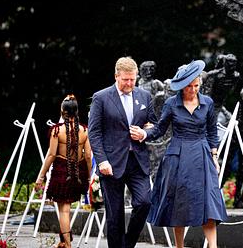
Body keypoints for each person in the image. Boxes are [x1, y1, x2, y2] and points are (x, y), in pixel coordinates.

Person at [130, 60, 228, 248]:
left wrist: (214, 157)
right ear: (182, 86)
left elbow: (212, 132)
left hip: (202, 154)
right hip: (178, 157)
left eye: (196, 86)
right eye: (189, 86)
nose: (193, 90)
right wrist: (144, 133)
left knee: (209, 202)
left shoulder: (207, 102)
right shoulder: (171, 104)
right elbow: (159, 130)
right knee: (179, 204)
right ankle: (179, 246)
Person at [88, 56, 157, 248]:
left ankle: (127, 245)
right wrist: (101, 161)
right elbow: (94, 132)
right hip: (111, 162)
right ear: (116, 76)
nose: (129, 83)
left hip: (137, 160)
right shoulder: (101, 97)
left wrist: (144, 133)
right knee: (115, 215)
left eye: (132, 79)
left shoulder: (144, 96)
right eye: (125, 79)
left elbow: (154, 125)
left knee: (144, 203)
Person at [35, 94, 92, 248]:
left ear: (62, 111)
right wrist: (89, 176)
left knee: (64, 210)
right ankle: (63, 241)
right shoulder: (84, 130)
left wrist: (41, 176)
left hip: (62, 170)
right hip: (79, 172)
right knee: (66, 208)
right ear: (77, 111)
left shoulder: (57, 131)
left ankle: (67, 244)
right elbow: (88, 156)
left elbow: (52, 155)